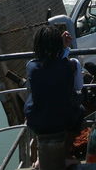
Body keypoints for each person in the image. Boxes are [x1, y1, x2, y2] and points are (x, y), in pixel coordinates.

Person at [24, 25, 84, 168]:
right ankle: (66, 155)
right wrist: (63, 48)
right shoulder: (70, 65)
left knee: (36, 108)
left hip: (37, 120)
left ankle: (40, 158)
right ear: (59, 45)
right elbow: (78, 87)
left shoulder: (31, 67)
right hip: (63, 120)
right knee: (80, 110)